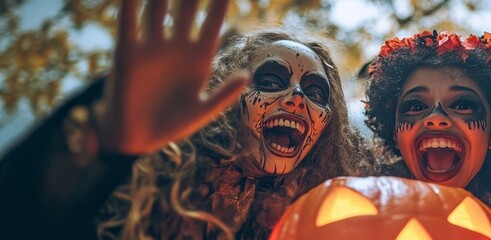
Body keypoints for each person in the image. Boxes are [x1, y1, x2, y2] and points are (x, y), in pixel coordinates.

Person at [0, 0, 373, 239]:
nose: (296, 99)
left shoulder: (312, 215)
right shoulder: (152, 170)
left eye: (315, 93)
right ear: (226, 96)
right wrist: (102, 155)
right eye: (272, 81)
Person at [363, 30, 491, 207]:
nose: (435, 118)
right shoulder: (361, 205)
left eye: (462, 105)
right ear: (395, 136)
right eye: (416, 107)